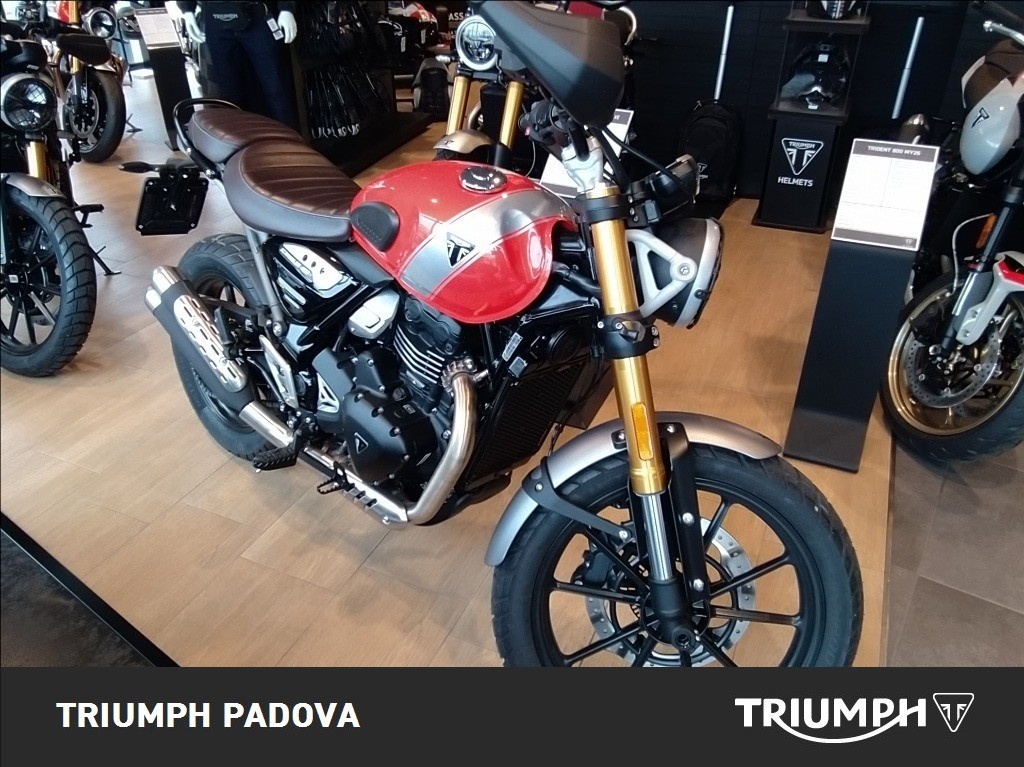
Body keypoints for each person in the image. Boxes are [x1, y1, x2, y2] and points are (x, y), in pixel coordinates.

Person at [174, 1, 299, 129]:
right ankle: (242, 138)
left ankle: (290, 139)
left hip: (258, 15)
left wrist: (286, 8)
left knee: (277, 89)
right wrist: (187, 10)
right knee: (230, 94)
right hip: (215, 19)